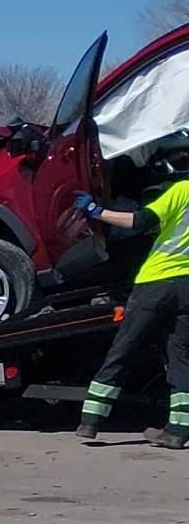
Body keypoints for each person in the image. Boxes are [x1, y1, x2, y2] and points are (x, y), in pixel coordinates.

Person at [72, 134, 189, 448]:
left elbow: (138, 221)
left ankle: (91, 420)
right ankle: (178, 431)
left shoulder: (182, 190)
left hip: (157, 282)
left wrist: (96, 211)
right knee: (180, 357)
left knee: (124, 347)